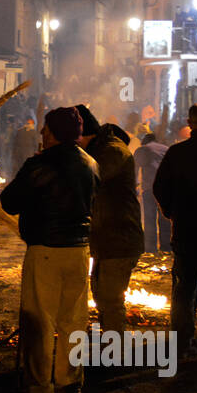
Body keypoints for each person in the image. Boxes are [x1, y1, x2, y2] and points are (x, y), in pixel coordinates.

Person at [0, 107, 98, 393]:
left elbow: (9, 202)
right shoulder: (91, 164)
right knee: (73, 320)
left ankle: (41, 392)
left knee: (40, 321)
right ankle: (70, 386)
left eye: (45, 129)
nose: (41, 133)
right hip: (79, 250)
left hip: (45, 248)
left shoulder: (39, 164)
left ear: (53, 132)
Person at [154, 103, 197, 358]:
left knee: (185, 288)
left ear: (190, 123)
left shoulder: (176, 153)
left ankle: (183, 342)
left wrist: (172, 212)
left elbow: (159, 187)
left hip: (185, 232)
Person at [77, 105, 143, 337]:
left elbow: (90, 180)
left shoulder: (112, 152)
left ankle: (114, 358)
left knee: (111, 300)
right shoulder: (101, 149)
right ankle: (110, 351)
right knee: (102, 297)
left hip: (119, 239)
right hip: (108, 239)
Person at [133, 132, 171, 253]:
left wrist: (135, 185)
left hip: (149, 189)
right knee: (164, 218)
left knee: (150, 218)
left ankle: (150, 248)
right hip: (165, 189)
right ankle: (166, 247)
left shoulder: (143, 149)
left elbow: (135, 168)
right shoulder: (167, 149)